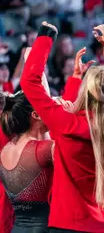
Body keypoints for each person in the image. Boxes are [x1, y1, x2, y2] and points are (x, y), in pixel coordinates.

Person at [20, 22, 104, 233]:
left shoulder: (67, 124)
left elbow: (30, 82)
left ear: (86, 91)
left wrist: (46, 37)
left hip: (68, 224)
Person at [0, 91, 52, 233]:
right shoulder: (45, 149)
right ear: (35, 115)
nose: (53, 111)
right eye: (48, 108)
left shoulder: (6, 150)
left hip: (17, 228)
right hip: (43, 228)